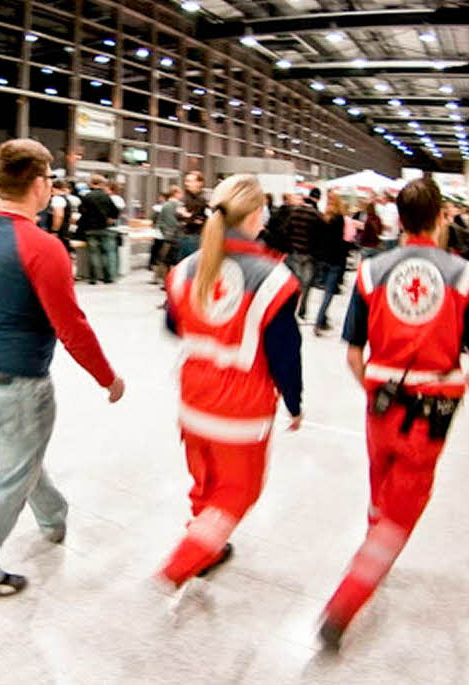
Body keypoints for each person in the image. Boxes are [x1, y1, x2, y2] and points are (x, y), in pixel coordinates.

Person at [319, 177, 469, 650]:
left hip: (380, 400)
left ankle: (373, 548)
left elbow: (353, 353)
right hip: (432, 409)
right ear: (439, 219)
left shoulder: (372, 271)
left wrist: (375, 386)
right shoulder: (464, 275)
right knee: (404, 507)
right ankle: (346, 600)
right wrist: (468, 380)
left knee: (380, 481)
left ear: (400, 218)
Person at [0, 138, 125, 597]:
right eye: (49, 177)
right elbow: (70, 324)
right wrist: (107, 377)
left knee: (21, 454)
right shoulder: (42, 245)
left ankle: (53, 516)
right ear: (37, 184)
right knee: (13, 473)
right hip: (21, 380)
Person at [157, 174, 302, 601]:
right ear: (257, 215)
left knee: (205, 484)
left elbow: (171, 324)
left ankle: (208, 546)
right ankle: (183, 560)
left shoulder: (187, 269)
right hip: (242, 408)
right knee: (238, 491)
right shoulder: (273, 279)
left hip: (193, 400)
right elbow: (284, 353)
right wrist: (294, 402)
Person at [282, 188, 326, 320]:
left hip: (294, 252)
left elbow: (286, 231)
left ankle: (291, 307)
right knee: (306, 285)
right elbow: (320, 237)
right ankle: (302, 310)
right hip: (309, 254)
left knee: (293, 282)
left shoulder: (294, 213)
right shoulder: (317, 215)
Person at [313, 191, 350, 336]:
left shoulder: (324, 217)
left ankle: (323, 320)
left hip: (324, 259)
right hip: (335, 260)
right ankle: (319, 321)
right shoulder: (339, 219)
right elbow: (340, 241)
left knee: (325, 292)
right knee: (329, 293)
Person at [76, 174, 120, 284]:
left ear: (91, 183)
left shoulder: (87, 197)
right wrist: (111, 218)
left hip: (90, 228)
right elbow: (115, 211)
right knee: (107, 253)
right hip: (105, 228)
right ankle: (108, 277)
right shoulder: (106, 196)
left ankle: (93, 278)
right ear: (101, 184)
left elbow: (81, 211)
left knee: (93, 253)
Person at [152, 185, 184, 285]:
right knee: (177, 260)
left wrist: (165, 232)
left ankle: (166, 281)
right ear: (175, 193)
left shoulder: (165, 206)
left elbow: (160, 222)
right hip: (178, 236)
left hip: (167, 237)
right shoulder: (180, 205)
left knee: (166, 260)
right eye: (180, 193)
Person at [178, 171, 209, 261]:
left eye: (191, 181)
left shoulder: (202, 199)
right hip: (184, 236)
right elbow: (178, 215)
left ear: (200, 183)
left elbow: (200, 219)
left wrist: (187, 216)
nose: (187, 184)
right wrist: (188, 216)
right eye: (186, 181)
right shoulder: (186, 197)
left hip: (196, 237)